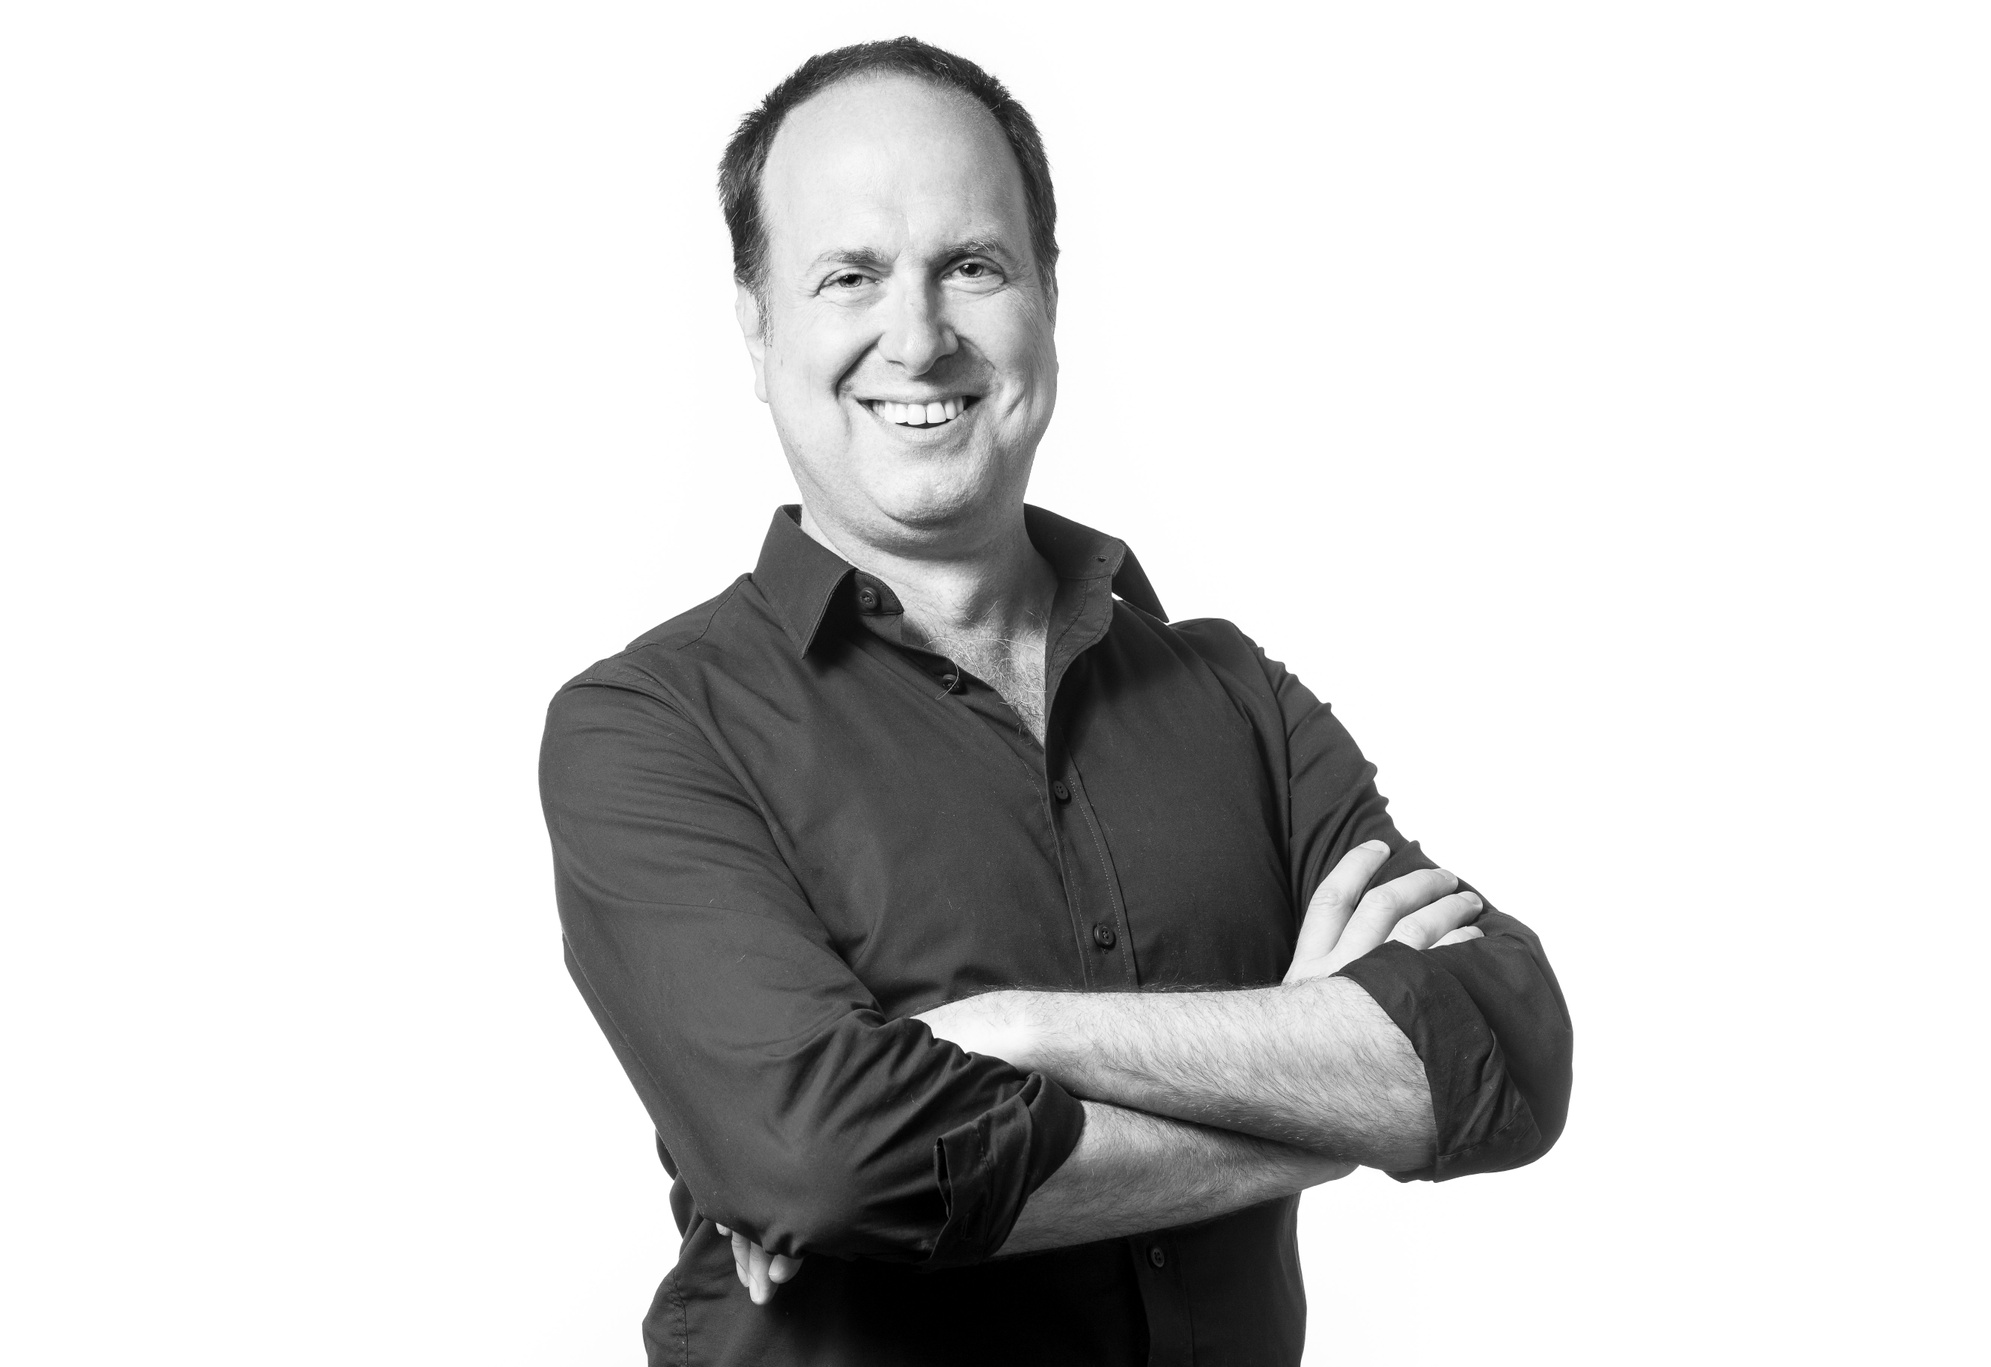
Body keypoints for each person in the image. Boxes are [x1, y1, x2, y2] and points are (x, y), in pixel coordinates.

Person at [538, 36, 1571, 1367]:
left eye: (972, 265)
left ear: (1047, 296)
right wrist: (1334, 1096)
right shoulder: (653, 729)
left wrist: (1007, 1037)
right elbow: (829, 1163)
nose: (916, 337)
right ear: (758, 327)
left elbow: (1506, 1055)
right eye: (848, 276)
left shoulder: (1236, 702)